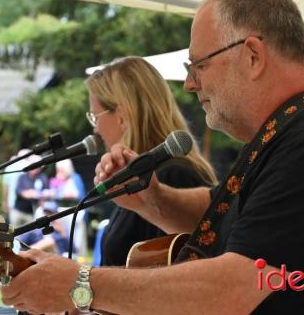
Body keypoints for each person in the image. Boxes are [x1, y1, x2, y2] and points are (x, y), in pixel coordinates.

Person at [0, 0, 304, 314]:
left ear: (252, 56)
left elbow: (232, 289)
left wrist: (81, 284)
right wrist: (151, 199)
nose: (190, 84)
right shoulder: (287, 134)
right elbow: (218, 214)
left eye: (199, 65)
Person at [85, 56, 216, 266]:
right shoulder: (139, 176)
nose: (95, 128)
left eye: (95, 115)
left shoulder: (172, 175)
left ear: (121, 114)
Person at [12, 155, 49, 227]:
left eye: (39, 166)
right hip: (19, 211)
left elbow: (46, 194)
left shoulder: (43, 178)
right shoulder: (22, 177)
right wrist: (36, 194)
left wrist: (37, 195)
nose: (37, 168)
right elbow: (21, 193)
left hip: (33, 214)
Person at [2, 148, 31, 223]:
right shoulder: (29, 167)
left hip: (12, 202)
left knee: (14, 229)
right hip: (27, 205)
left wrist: (4, 202)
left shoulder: (9, 167)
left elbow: (5, 187)